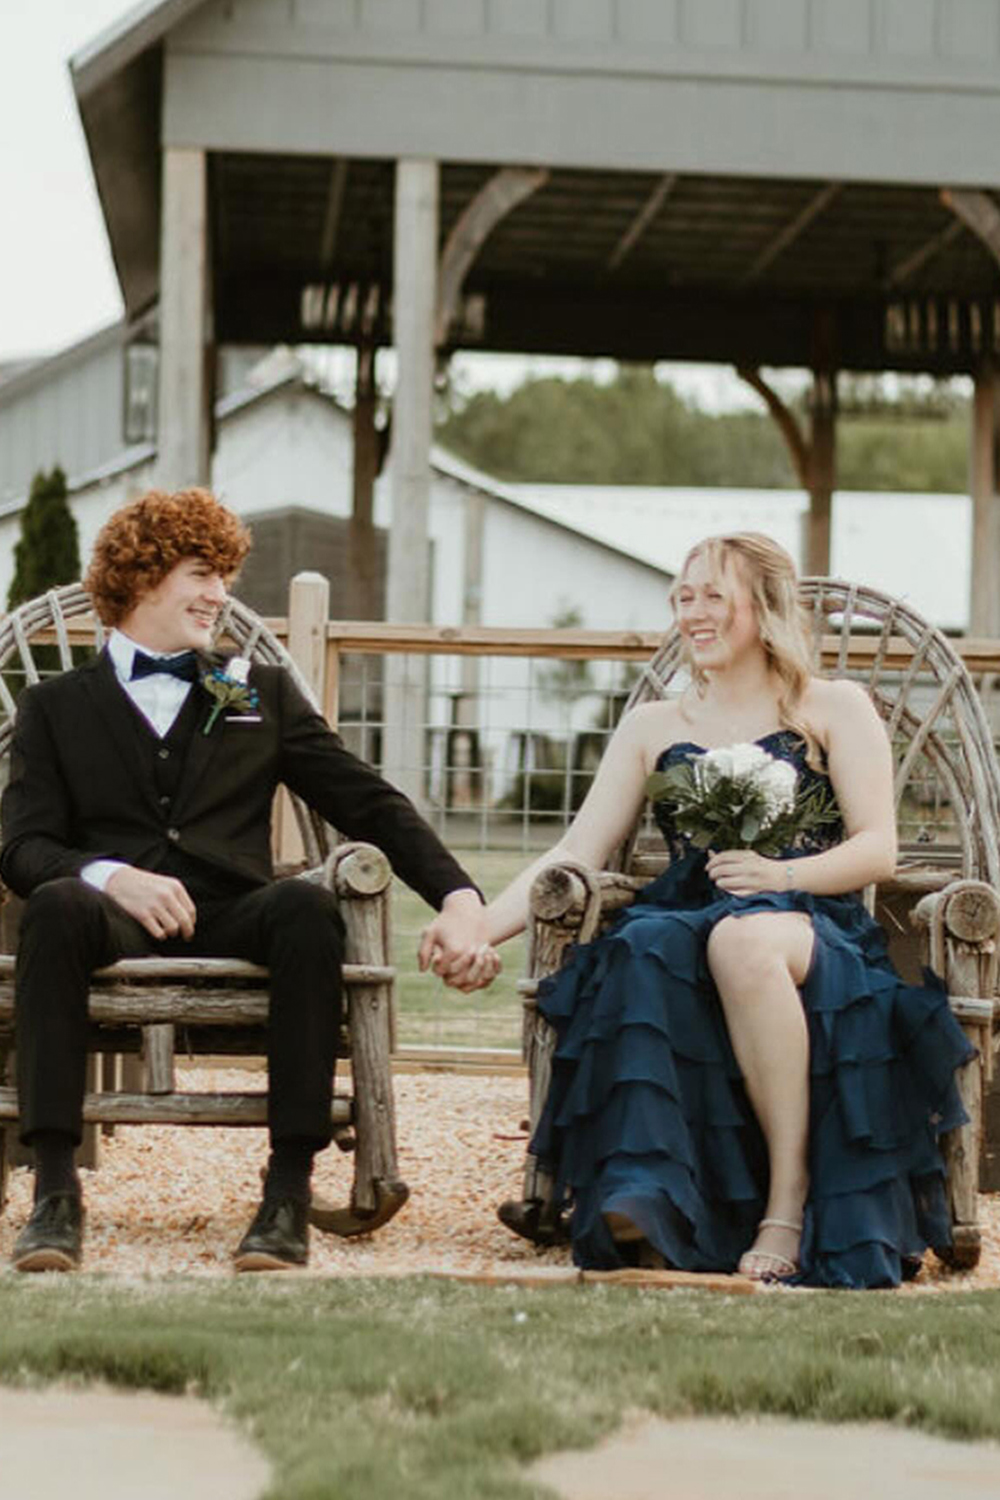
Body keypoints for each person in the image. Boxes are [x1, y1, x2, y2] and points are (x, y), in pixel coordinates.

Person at [1, 487, 496, 1274]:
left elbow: (365, 799)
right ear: (142, 576)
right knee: (57, 904)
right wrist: (111, 877)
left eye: (225, 576)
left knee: (304, 907)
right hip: (109, 918)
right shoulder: (54, 706)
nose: (220, 595)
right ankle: (55, 1195)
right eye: (203, 573)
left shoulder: (250, 691)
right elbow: (23, 848)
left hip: (234, 908)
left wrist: (462, 898)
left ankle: (286, 1195)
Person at [460, 532, 975, 1287]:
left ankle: (787, 1203)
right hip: (691, 911)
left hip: (807, 922)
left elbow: (876, 851)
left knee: (742, 943)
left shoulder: (832, 707)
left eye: (711, 596)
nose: (691, 613)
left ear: (762, 608)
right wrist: (481, 927)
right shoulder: (654, 727)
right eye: (682, 597)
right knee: (642, 947)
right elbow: (576, 849)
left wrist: (780, 871)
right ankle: (646, 1199)